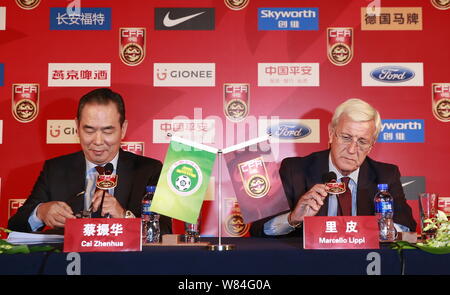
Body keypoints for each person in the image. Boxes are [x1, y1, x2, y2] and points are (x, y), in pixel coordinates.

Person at [8, 88, 172, 234]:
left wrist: (124, 216)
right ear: (77, 127)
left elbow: (164, 231)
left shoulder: (149, 170)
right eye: (89, 130)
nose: (98, 141)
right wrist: (41, 212)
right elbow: (15, 228)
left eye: (107, 131)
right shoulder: (56, 169)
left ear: (123, 129)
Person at [250, 98, 416, 237]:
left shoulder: (385, 175)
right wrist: (293, 219)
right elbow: (258, 228)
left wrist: (378, 229)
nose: (352, 150)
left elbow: (408, 227)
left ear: (372, 145)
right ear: (331, 133)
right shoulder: (295, 170)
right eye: (346, 137)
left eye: (362, 141)